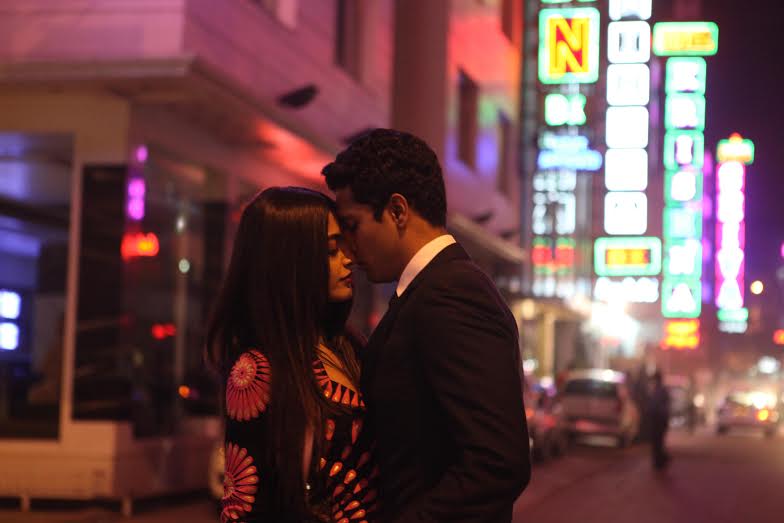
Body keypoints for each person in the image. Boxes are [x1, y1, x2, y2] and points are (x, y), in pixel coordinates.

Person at [322, 129, 531, 522]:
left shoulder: (451, 293)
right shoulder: (429, 291)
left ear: (398, 211)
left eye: (352, 225)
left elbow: (498, 462)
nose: (349, 248)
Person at [206, 187, 378, 522]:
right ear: (292, 262)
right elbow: (245, 505)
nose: (348, 258)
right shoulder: (256, 371)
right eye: (331, 250)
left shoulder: (346, 346)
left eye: (344, 245)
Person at [647, 370, 671, 470]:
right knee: (658, 441)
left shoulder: (658, 390)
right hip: (660, 418)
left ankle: (659, 461)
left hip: (658, 419)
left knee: (657, 441)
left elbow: (655, 406)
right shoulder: (661, 390)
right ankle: (660, 460)